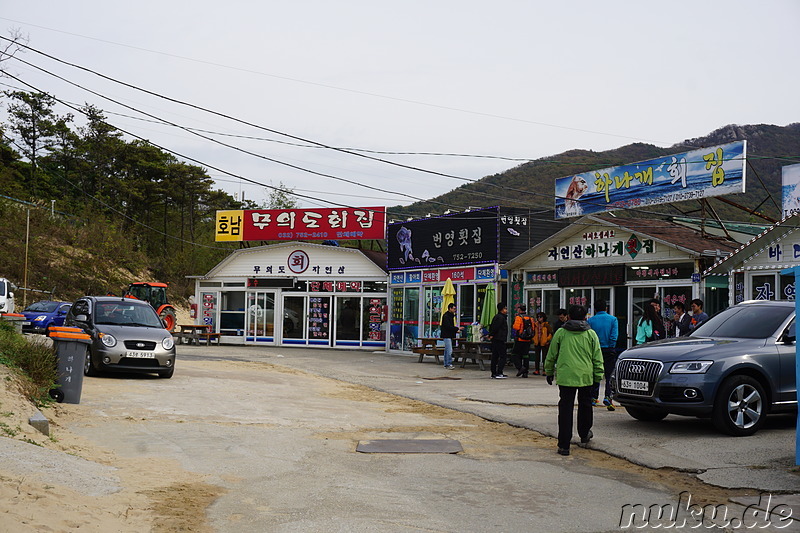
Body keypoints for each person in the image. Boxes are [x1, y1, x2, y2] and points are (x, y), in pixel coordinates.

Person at [544, 305, 604, 456]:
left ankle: (564, 445)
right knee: (585, 405)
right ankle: (584, 434)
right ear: (585, 317)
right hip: (585, 377)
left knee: (565, 410)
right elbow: (597, 358)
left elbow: (551, 354)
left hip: (566, 377)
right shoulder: (591, 334)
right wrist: (598, 376)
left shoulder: (561, 333)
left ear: (569, 316)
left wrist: (549, 371)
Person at [587, 300, 618, 410]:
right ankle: (608, 397)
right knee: (609, 375)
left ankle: (594, 397)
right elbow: (614, 336)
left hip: (595, 351)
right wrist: (610, 346)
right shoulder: (613, 319)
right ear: (606, 308)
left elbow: (589, 337)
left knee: (596, 373)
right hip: (609, 350)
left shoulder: (590, 320)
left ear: (595, 309)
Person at [511, 305, 534, 377]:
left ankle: (520, 368)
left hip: (520, 339)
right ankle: (525, 372)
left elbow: (516, 327)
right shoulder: (530, 318)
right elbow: (533, 328)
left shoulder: (519, 317)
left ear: (520, 310)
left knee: (515, 354)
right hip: (528, 339)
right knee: (525, 355)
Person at [488, 303, 509, 379]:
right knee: (503, 356)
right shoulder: (500, 318)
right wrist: (491, 334)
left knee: (495, 356)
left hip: (497, 339)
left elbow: (492, 327)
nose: (506, 310)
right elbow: (495, 328)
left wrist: (491, 334)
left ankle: (494, 372)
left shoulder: (497, 317)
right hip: (499, 339)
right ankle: (499, 372)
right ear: (501, 309)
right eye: (505, 309)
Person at [531, 311, 553, 376]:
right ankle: (537, 370)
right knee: (537, 357)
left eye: (540, 317)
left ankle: (544, 370)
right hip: (537, 342)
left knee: (545, 357)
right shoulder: (535, 324)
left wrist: (547, 340)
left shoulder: (546, 325)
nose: (539, 318)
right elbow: (532, 332)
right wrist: (533, 339)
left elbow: (550, 333)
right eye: (538, 317)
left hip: (544, 343)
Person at [440, 302, 459, 370]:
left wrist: (455, 330)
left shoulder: (450, 316)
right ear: (450, 308)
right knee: (449, 350)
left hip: (449, 335)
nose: (455, 310)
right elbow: (448, 326)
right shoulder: (446, 316)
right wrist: (457, 329)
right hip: (447, 335)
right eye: (454, 309)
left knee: (447, 350)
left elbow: (449, 327)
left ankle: (446, 363)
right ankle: (448, 363)